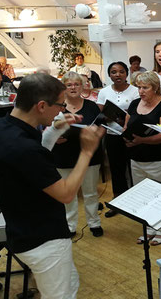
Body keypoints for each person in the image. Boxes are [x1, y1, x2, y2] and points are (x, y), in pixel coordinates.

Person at [0, 73, 103, 299]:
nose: (62, 110)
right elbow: (65, 193)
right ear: (42, 105)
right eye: (60, 105)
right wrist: (86, 151)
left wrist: (54, 130)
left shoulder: (4, 127)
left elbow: (34, 166)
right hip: (43, 239)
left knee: (70, 283)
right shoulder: (24, 148)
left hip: (19, 228)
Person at [124, 71, 161, 246]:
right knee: (143, 196)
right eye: (138, 87)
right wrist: (127, 138)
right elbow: (126, 126)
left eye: (145, 87)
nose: (140, 91)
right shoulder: (133, 104)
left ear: (155, 88)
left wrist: (142, 140)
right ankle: (148, 228)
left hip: (160, 159)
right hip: (137, 158)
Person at [52, 71, 104, 237]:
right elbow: (46, 129)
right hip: (63, 155)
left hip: (89, 155)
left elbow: (103, 126)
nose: (73, 87)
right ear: (63, 87)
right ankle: (70, 225)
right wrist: (55, 138)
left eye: (76, 84)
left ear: (82, 86)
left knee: (90, 192)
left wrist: (96, 134)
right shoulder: (56, 107)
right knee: (69, 195)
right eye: (69, 84)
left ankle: (94, 222)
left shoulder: (91, 106)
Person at [96, 61, 140, 217]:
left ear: (126, 73)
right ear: (109, 75)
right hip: (112, 136)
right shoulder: (104, 92)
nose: (118, 75)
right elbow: (100, 115)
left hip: (132, 136)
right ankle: (118, 201)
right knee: (116, 169)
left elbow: (138, 113)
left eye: (121, 71)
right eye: (114, 72)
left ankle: (137, 202)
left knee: (134, 169)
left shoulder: (135, 91)